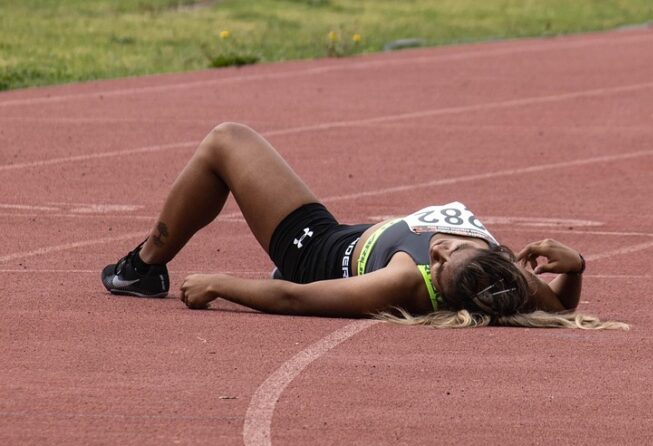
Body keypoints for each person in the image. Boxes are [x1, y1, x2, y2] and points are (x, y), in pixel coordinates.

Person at [101, 122, 625, 330]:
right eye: (450, 251)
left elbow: (295, 299)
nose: (439, 249)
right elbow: (558, 308)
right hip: (350, 233)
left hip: (314, 252)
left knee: (227, 141)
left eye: (436, 264)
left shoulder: (404, 280)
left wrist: (220, 284)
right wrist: (576, 266)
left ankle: (144, 267)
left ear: (434, 279)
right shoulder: (502, 278)